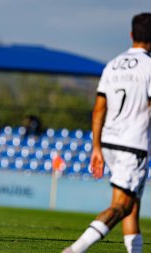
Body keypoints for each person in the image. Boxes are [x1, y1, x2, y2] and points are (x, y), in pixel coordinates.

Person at [63, 13, 151, 253]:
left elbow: (99, 109)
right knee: (122, 205)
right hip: (133, 144)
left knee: (131, 205)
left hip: (109, 141)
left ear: (131, 35)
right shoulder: (149, 67)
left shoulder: (112, 64)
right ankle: (76, 249)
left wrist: (97, 147)